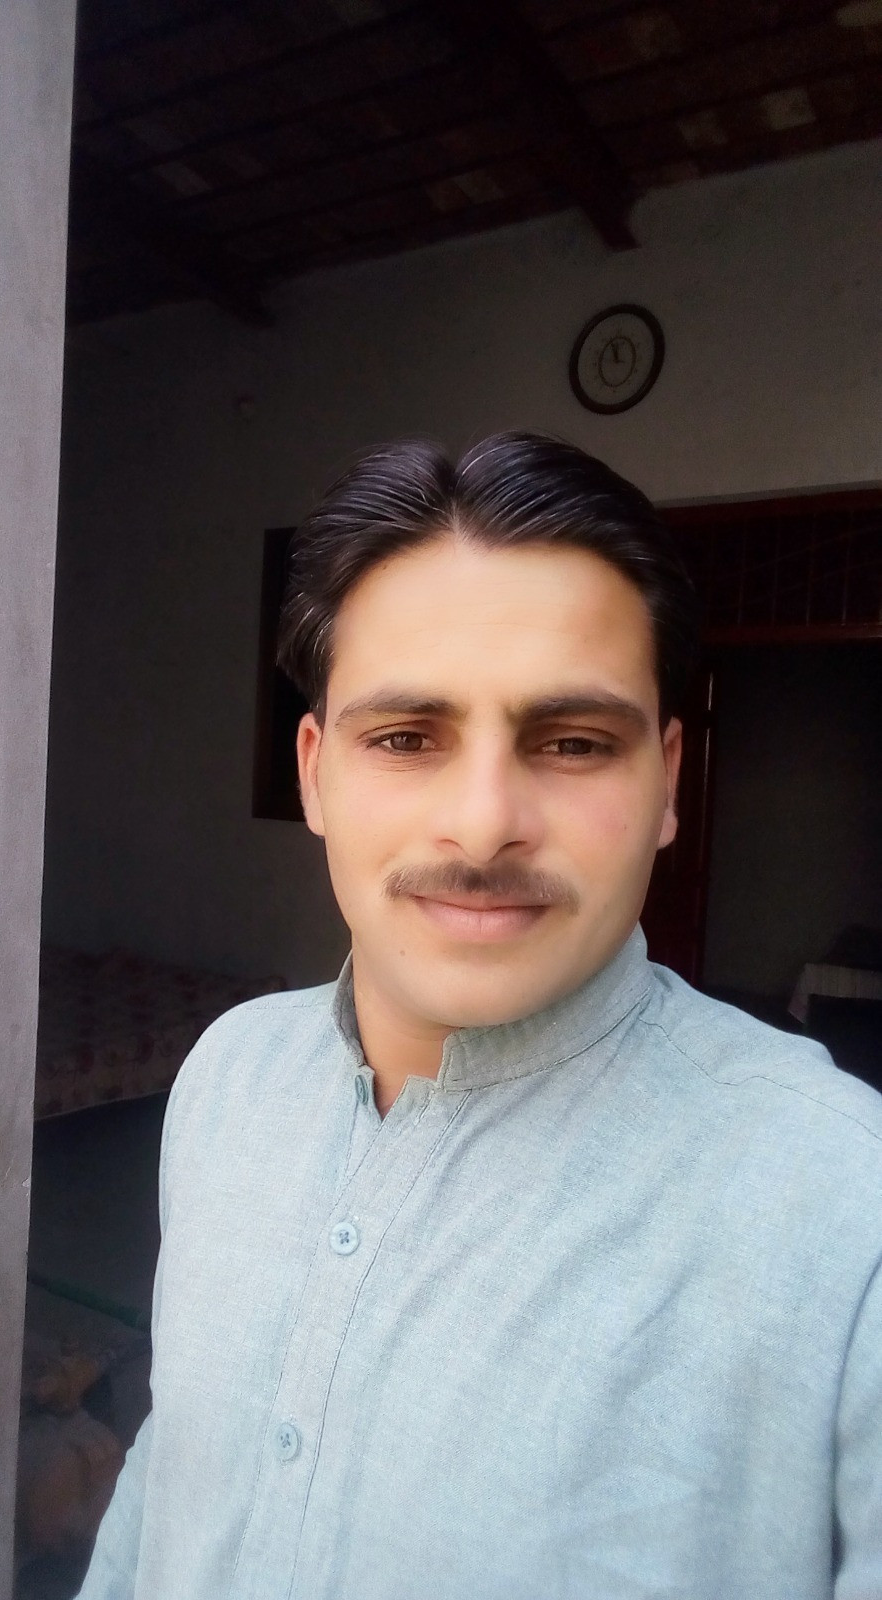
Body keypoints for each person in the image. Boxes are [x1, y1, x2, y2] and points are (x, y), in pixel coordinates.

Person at [79, 433, 882, 1600]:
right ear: (314, 771)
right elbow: (170, 1476)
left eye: (572, 743)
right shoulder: (230, 1077)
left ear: (667, 780)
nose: (483, 820)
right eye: (406, 737)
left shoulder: (842, 1215)